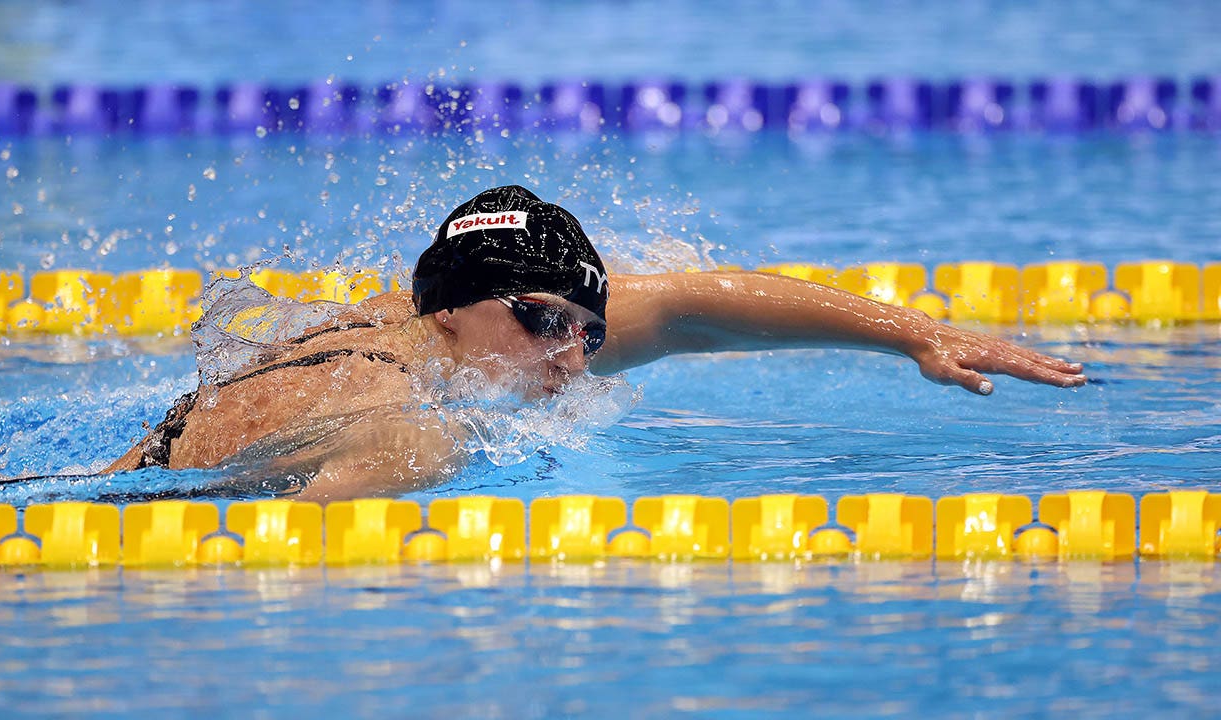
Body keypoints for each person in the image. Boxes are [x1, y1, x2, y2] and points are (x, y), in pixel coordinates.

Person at [97, 185, 1084, 502]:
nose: (571, 355)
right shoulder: (389, 412)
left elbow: (697, 304)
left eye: (589, 332)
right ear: (453, 304)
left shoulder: (485, 345)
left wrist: (919, 334)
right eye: (545, 321)